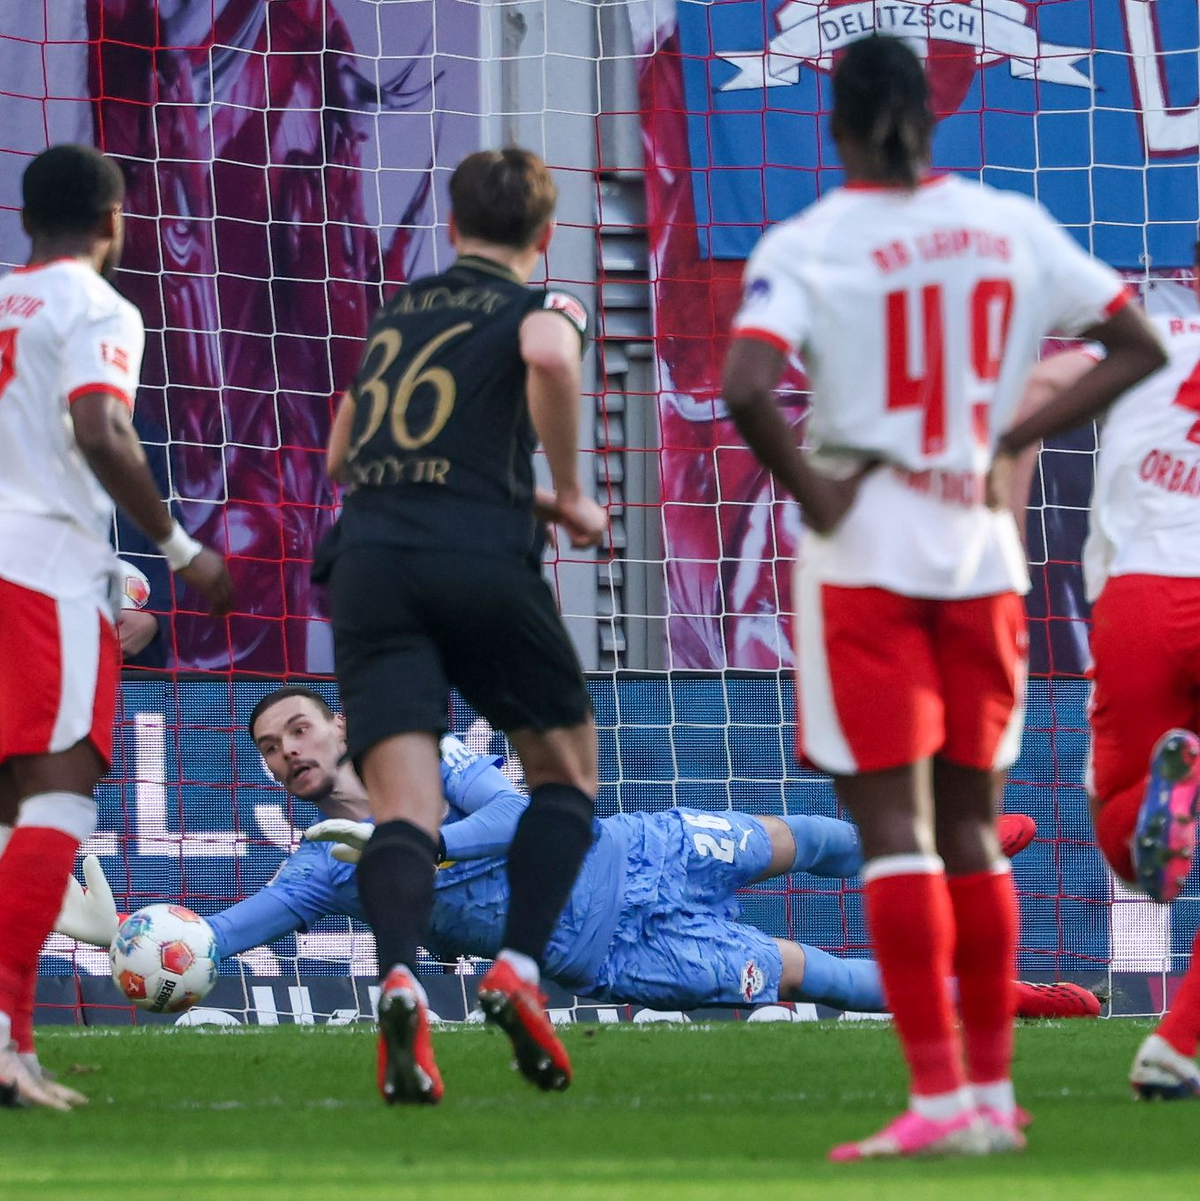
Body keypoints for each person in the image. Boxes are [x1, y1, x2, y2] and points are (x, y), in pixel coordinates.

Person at [721, 36, 1166, 1160]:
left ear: (834, 124)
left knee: (894, 836)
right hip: (979, 559)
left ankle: (937, 1097)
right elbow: (1135, 343)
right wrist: (1008, 436)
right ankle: (995, 1097)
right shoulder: (1008, 225)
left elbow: (745, 387)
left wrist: (819, 491)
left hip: (866, 562)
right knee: (971, 827)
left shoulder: (810, 241)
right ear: (933, 115)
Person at [56, 686, 1097, 1024]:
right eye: (271, 749)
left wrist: (406, 840)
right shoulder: (324, 868)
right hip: (619, 953)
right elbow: (222, 935)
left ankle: (952, 847)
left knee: (801, 836)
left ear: (337, 723)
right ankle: (1005, 1000)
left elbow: (519, 818)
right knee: (816, 973)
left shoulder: (424, 755)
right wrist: (125, 939)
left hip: (639, 853)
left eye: (297, 728)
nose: (288, 750)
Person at [315, 148, 607, 1103]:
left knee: (406, 811)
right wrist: (569, 491)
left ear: (451, 227)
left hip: (369, 561)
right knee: (565, 774)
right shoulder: (542, 303)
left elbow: (341, 453)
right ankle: (516, 969)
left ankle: (401, 977)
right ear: (546, 235)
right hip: (475, 555)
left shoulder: (399, 314)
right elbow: (552, 355)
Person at [0, 144, 233, 1110]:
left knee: (7, 813)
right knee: (57, 799)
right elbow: (100, 427)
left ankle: (13, 1041)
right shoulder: (98, 306)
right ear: (113, 222)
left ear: (25, 219)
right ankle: (5, 1039)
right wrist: (180, 549)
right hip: (41, 574)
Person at [1017, 239, 1200, 1099]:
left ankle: (1162, 802)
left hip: (1139, 596)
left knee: (1124, 839)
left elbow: (1039, 389)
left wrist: (996, 491)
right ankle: (1179, 1042)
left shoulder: (1149, 339)